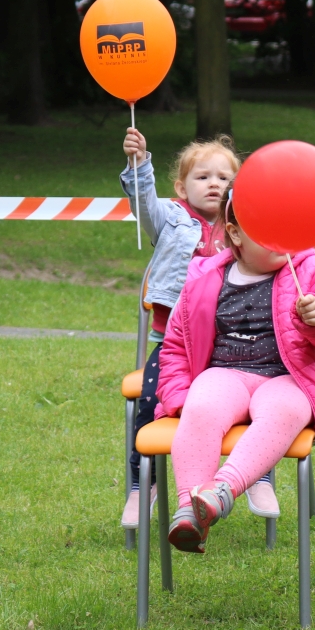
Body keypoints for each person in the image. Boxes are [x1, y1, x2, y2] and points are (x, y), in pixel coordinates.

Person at [154, 192, 315, 553]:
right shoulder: (204, 278)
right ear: (235, 233)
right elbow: (176, 346)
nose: (280, 240)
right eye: (265, 231)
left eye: (285, 229)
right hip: (227, 373)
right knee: (202, 405)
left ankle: (222, 491)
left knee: (285, 409)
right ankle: (190, 509)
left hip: (288, 377)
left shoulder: (309, 269)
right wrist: (180, 398)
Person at [117, 131, 276, 527]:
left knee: (261, 399)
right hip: (178, 347)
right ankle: (143, 484)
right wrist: (139, 165)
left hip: (233, 348)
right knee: (149, 400)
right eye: (203, 177)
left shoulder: (246, 227)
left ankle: (258, 476)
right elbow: (143, 202)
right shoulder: (170, 219)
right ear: (181, 187)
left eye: (224, 178)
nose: (214, 185)